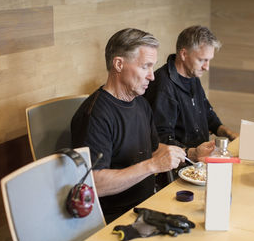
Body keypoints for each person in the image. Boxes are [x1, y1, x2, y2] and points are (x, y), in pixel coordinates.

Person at [71, 28, 212, 224]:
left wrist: (192, 153)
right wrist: (152, 166)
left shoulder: (140, 103)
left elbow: (153, 149)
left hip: (149, 204)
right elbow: (94, 183)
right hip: (114, 219)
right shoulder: (95, 115)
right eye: (145, 67)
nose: (152, 76)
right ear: (119, 64)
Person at [144, 25, 238, 157]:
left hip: (199, 159)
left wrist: (229, 134)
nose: (206, 67)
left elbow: (208, 115)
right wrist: (192, 153)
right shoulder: (163, 85)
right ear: (183, 54)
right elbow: (161, 139)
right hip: (178, 166)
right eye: (202, 60)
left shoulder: (192, 75)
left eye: (209, 60)